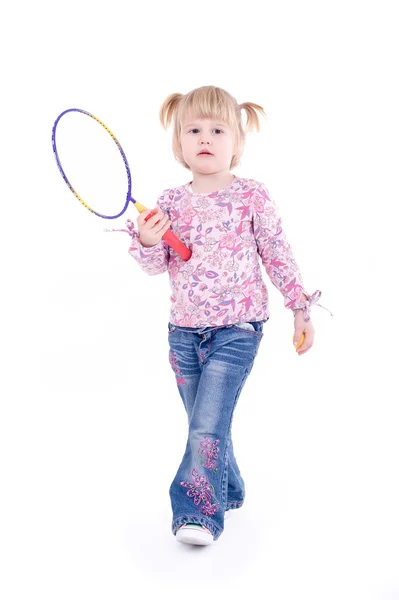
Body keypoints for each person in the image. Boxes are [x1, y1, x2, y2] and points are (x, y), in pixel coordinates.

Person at [122, 86, 332, 546]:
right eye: (193, 129)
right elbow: (158, 266)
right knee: (206, 420)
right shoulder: (171, 202)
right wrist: (150, 241)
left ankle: (196, 514)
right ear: (178, 142)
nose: (206, 137)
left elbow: (277, 254)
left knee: (205, 424)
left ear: (237, 142)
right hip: (182, 332)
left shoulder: (252, 196)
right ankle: (230, 489)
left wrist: (299, 307)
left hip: (237, 330)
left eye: (218, 130)